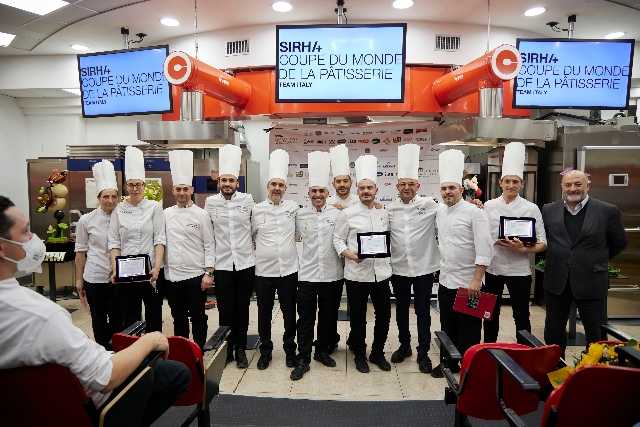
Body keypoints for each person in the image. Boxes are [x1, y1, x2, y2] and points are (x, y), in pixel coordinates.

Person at [0, 196, 190, 426]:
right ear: (2, 247)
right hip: (92, 403)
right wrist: (151, 340)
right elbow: (105, 377)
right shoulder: (42, 316)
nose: (33, 239)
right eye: (26, 232)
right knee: (176, 373)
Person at [542, 169, 627, 351]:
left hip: (592, 280)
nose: (573, 188)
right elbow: (544, 239)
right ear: (562, 187)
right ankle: (555, 371)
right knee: (553, 332)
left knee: (595, 334)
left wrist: (595, 260)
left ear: (588, 185)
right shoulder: (548, 210)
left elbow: (619, 243)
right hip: (557, 281)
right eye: (568, 185)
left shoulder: (607, 211)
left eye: (578, 184)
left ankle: (592, 374)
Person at [433, 149, 493, 378]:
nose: (448, 192)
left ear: (461, 189)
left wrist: (477, 280)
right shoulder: (440, 211)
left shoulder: (474, 212)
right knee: (448, 326)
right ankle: (449, 363)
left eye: (452, 188)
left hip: (470, 282)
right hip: (447, 280)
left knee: (469, 329)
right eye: (444, 188)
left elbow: (484, 248)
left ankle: (469, 367)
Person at [483, 142, 547, 344]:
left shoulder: (531, 208)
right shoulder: (489, 206)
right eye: (507, 181)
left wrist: (523, 247)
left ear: (521, 184)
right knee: (489, 314)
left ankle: (523, 352)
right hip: (492, 269)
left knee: (521, 316)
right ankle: (490, 350)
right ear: (500, 182)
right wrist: (496, 240)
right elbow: (482, 236)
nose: (511, 185)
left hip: (520, 271)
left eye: (515, 181)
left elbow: (543, 243)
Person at [334, 155, 392, 373]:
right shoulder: (347, 213)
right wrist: (350, 254)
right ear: (357, 191)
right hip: (356, 273)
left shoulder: (384, 212)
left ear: (376, 190)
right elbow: (337, 239)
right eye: (362, 188)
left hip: (382, 273)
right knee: (358, 318)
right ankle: (359, 353)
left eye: (370, 188)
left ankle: (377, 352)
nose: (366, 191)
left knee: (384, 315)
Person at [290, 151, 342, 381]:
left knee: (329, 316)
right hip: (308, 274)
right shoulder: (299, 215)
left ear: (327, 193)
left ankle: (322, 350)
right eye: (314, 191)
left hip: (333, 274)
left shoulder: (339, 213)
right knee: (305, 317)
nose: (318, 195)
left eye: (322, 191)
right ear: (308, 193)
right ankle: (303, 357)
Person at [388, 144, 439, 373]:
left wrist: (474, 203)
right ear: (397, 186)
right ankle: (405, 345)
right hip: (398, 268)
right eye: (403, 184)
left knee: (422, 312)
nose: (407, 188)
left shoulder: (429, 205)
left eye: (411, 184)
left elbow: (450, 210)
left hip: (423, 268)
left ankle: (423, 352)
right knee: (400, 311)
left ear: (418, 185)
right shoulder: (389, 209)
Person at [205, 144, 255, 368]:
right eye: (223, 180)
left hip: (245, 264)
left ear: (237, 182)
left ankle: (241, 348)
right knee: (225, 310)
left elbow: (254, 230)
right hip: (223, 265)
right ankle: (227, 350)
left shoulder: (248, 200)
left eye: (231, 180)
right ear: (219, 182)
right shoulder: (210, 203)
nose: (227, 184)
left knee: (242, 309)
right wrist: (209, 268)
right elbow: (209, 236)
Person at [108, 146, 165, 332]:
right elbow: (114, 243)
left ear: (144, 185)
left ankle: (155, 352)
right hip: (126, 273)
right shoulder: (118, 209)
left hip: (150, 271)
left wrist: (157, 268)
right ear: (126, 186)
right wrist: (116, 269)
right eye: (131, 184)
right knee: (130, 316)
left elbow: (159, 239)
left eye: (138, 184)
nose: (135, 188)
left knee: (154, 314)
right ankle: (134, 352)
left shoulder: (154, 207)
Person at [252, 149, 299, 370]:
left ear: (285, 188)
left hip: (289, 271)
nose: (277, 189)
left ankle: (290, 350)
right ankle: (265, 351)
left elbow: (304, 229)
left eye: (281, 185)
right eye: (274, 185)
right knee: (264, 314)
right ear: (267, 187)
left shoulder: (293, 208)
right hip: (263, 272)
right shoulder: (256, 210)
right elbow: (249, 238)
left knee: (290, 313)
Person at [164, 150, 215, 350]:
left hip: (196, 275)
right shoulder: (165, 214)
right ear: (173, 191)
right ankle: (183, 349)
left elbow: (209, 244)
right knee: (178, 317)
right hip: (172, 276)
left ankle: (199, 348)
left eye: (185, 188)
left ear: (192, 189)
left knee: (198, 315)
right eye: (179, 189)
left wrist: (208, 273)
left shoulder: (201, 215)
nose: (182, 193)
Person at [74, 160, 122, 349]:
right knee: (99, 318)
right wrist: (79, 280)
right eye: (105, 196)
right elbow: (80, 253)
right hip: (95, 277)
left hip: (118, 278)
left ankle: (119, 352)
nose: (110, 200)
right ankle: (103, 351)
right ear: (98, 197)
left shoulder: (124, 216)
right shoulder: (87, 220)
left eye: (113, 196)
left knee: (119, 318)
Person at [326, 144, 358, 353]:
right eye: (339, 181)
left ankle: (355, 340)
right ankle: (330, 339)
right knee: (331, 306)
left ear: (351, 182)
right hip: (332, 263)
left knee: (356, 306)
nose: (342, 184)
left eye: (346, 180)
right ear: (333, 183)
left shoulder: (361, 201)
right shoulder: (326, 202)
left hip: (357, 263)